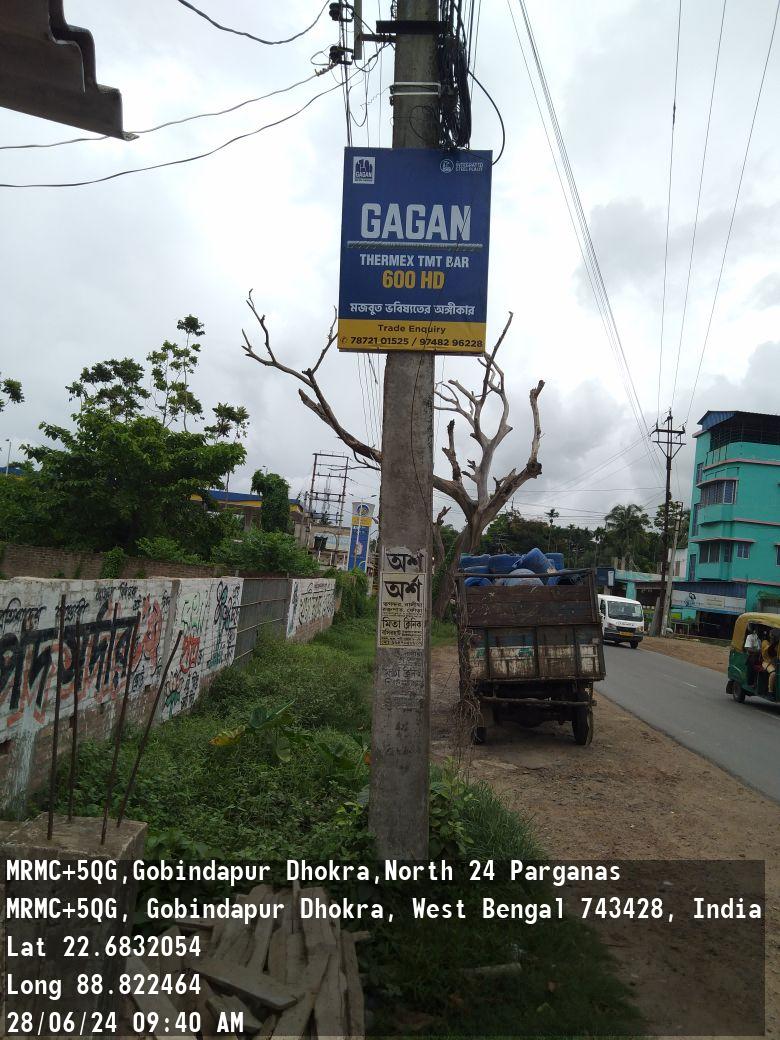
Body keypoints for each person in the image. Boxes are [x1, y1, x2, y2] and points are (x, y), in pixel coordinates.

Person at [760, 629, 779, 694]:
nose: (773, 637)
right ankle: (770, 691)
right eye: (772, 636)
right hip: (766, 662)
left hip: (776, 662)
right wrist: (774, 644)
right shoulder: (765, 642)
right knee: (773, 673)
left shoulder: (777, 644)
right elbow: (768, 650)